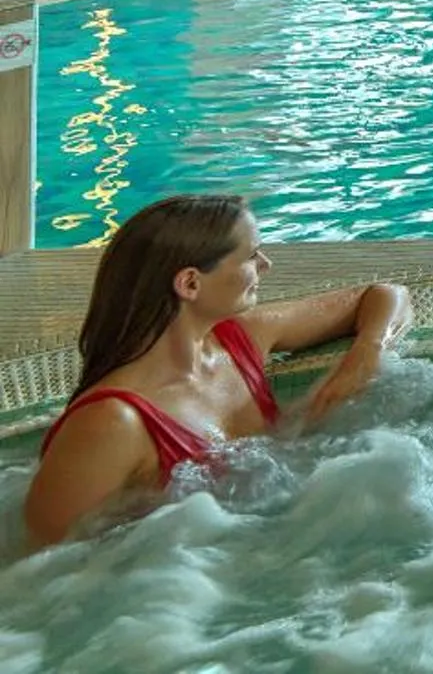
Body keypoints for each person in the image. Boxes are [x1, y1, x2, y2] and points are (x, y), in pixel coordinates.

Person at [21, 194, 412, 549]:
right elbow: (45, 565)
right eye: (251, 256)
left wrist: (367, 353)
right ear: (190, 283)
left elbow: (387, 295)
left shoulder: (240, 341)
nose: (266, 265)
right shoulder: (111, 423)